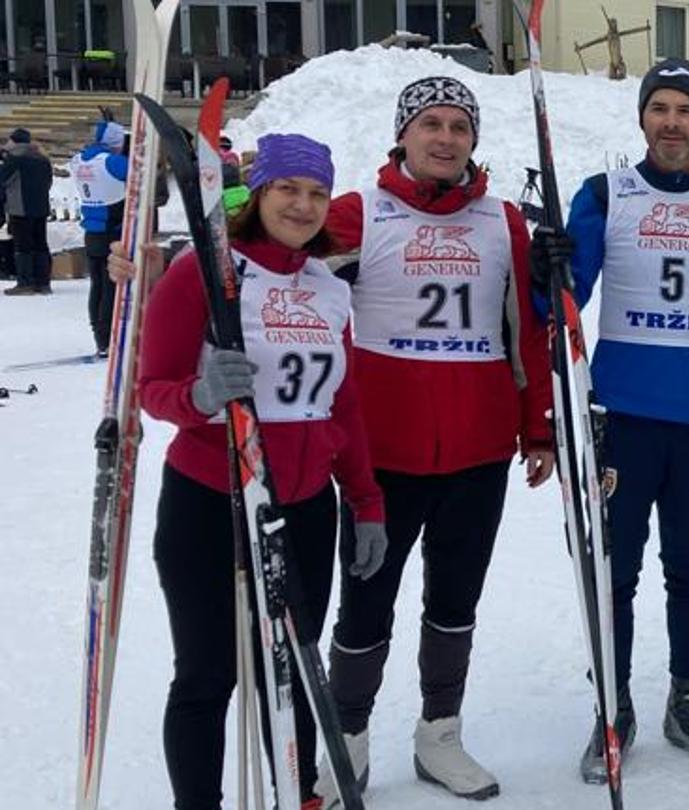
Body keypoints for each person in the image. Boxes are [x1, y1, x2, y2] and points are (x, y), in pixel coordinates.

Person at [120, 133, 387, 810]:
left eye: (317, 192)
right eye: (287, 189)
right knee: (208, 676)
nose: (303, 205)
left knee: (292, 670)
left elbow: (345, 405)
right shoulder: (205, 273)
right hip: (212, 501)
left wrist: (365, 499)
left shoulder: (327, 288)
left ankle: (296, 793)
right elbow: (153, 388)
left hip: (302, 506)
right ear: (257, 194)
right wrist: (201, 397)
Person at [313, 75, 556, 804]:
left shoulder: (503, 221)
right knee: (366, 600)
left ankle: (439, 734)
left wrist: (537, 426)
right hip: (380, 457)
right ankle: (347, 739)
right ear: (405, 135)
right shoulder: (361, 213)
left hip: (478, 452)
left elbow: (527, 334)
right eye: (432, 125)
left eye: (459, 126)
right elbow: (277, 270)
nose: (446, 138)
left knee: (455, 600)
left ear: (473, 140)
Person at [529, 58, 689, 778]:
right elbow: (558, 310)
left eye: (685, 110)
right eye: (659, 108)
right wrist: (548, 270)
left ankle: (688, 697)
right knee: (614, 572)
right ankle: (615, 705)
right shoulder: (607, 194)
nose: (671, 122)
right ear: (642, 118)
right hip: (620, 415)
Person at [70, 119, 129, 354]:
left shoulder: (79, 160)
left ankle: (98, 334)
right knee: (110, 287)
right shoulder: (113, 162)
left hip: (91, 230)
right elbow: (137, 171)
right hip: (112, 231)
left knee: (96, 286)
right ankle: (107, 337)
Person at [1, 128, 54, 295]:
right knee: (40, 245)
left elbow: (2, 180)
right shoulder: (42, 159)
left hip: (20, 208)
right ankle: (43, 283)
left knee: (23, 246)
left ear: (14, 141)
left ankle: (25, 283)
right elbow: (49, 182)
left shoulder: (15, 160)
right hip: (41, 207)